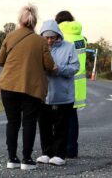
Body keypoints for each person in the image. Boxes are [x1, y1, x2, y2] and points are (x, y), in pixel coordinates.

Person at [0, 4, 55, 170]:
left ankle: (12, 159)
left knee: (12, 122)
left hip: (8, 86)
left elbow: (0, 61)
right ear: (34, 22)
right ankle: (26, 159)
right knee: (28, 122)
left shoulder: (10, 36)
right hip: (31, 88)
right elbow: (49, 65)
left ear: (20, 21)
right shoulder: (41, 41)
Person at [36, 20, 80, 166]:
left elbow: (75, 67)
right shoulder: (37, 47)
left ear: (58, 36)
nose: (49, 40)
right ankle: (46, 153)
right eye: (46, 37)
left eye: (52, 37)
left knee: (62, 126)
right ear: (41, 36)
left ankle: (60, 154)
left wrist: (58, 69)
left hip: (63, 95)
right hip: (43, 94)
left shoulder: (69, 47)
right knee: (44, 125)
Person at [55, 10, 87, 158]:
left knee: (60, 117)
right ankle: (72, 149)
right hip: (79, 83)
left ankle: (60, 149)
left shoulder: (61, 38)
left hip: (64, 81)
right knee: (72, 117)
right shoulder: (81, 38)